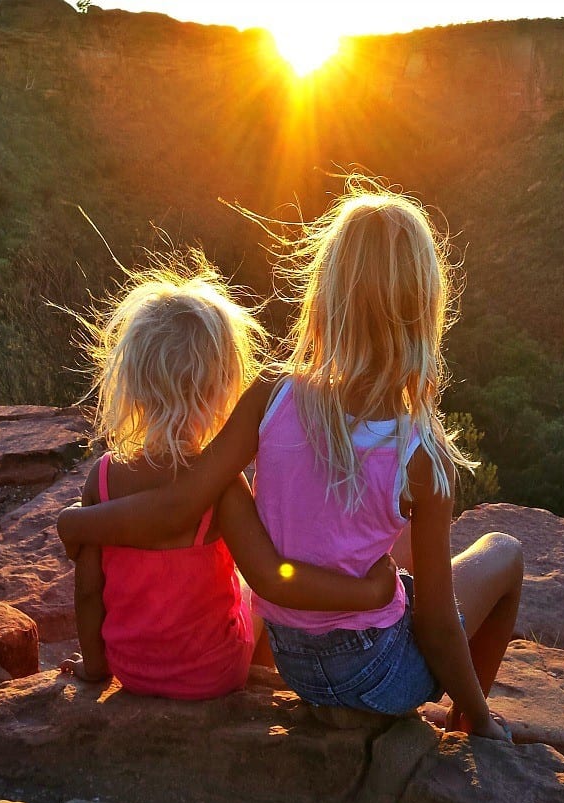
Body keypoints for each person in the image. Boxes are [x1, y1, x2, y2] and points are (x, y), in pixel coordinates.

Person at [58, 184, 523, 739]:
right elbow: (439, 625)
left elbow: (180, 503)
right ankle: (472, 723)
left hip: (296, 660)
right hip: (374, 678)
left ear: (323, 294)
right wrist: (486, 713)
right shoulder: (421, 453)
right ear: (424, 310)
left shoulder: (271, 393)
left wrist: (79, 522)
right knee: (504, 553)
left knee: (388, 546)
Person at [58, 254, 397, 699]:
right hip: (211, 674)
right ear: (221, 387)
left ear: (133, 381)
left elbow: (88, 590)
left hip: (131, 669)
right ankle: (282, 688)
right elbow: (272, 577)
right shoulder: (223, 489)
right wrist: (368, 591)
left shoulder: (101, 480)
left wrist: (96, 668)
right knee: (248, 593)